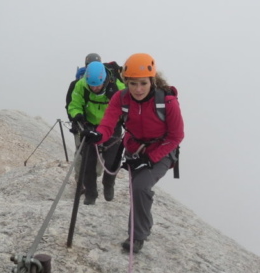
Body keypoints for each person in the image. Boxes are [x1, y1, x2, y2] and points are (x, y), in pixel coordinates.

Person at [83, 53, 184, 252]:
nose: (138, 89)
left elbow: (176, 136)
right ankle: (142, 227)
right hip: (134, 150)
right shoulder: (120, 98)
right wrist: (97, 135)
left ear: (152, 81)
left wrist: (149, 158)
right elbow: (107, 125)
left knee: (141, 187)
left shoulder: (168, 102)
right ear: (126, 82)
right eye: (133, 84)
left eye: (143, 83)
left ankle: (137, 236)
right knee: (136, 190)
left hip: (162, 151)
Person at [67, 59, 125, 204]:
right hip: (90, 126)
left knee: (113, 160)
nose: (95, 88)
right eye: (91, 86)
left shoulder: (117, 87)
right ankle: (90, 194)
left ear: (104, 79)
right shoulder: (81, 85)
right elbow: (74, 105)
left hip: (112, 126)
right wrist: (77, 116)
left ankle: (108, 183)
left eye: (98, 85)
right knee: (88, 161)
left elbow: (126, 107)